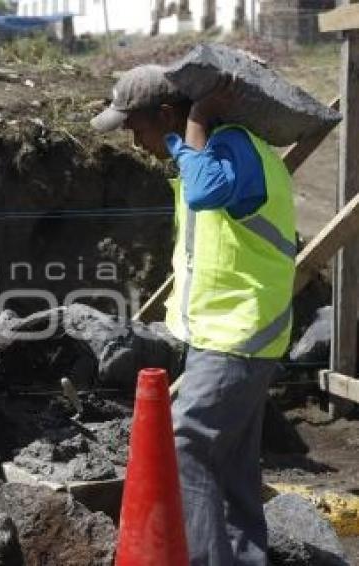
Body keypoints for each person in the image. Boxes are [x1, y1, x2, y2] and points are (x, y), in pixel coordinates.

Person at [91, 65, 295, 565]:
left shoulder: (229, 147)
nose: (136, 143)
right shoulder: (215, 153)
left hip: (237, 334)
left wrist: (197, 123)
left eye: (137, 129)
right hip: (231, 333)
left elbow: (205, 193)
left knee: (186, 446)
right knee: (231, 466)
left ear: (167, 115)